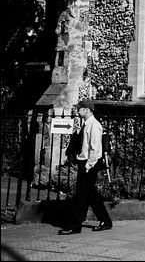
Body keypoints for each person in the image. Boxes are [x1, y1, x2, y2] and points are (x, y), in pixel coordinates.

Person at [58, 100, 113, 235]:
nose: (78, 111)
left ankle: (75, 225)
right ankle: (105, 221)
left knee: (82, 195)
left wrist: (89, 165)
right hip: (85, 162)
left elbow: (95, 148)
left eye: (80, 109)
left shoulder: (94, 126)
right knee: (90, 194)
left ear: (87, 110)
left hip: (90, 163)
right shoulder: (85, 125)